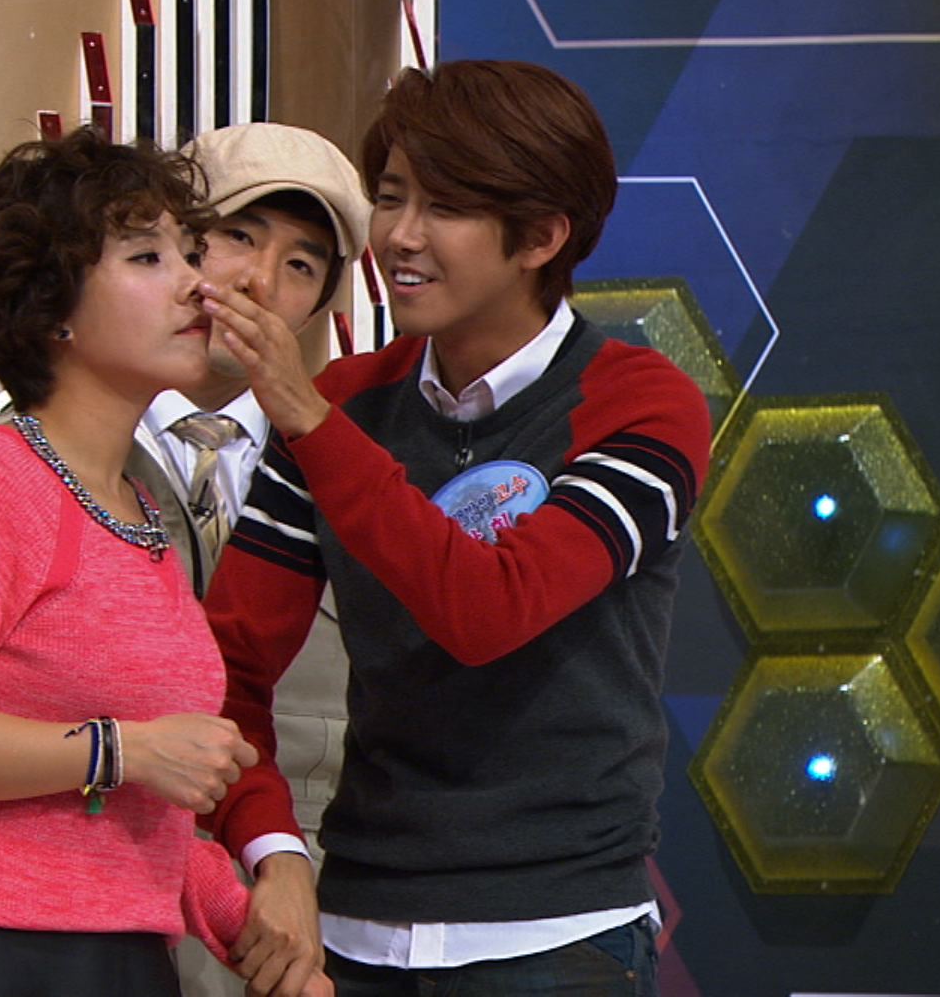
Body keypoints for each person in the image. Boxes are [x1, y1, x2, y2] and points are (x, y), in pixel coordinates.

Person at [198, 60, 712, 996]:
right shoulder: (346, 401)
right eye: (393, 197)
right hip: (351, 934)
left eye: (444, 207)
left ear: (542, 236)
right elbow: (223, 670)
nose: (400, 236)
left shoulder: (642, 403)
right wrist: (274, 851)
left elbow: (489, 610)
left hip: (560, 942)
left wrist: (309, 419)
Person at [0, 127, 266, 996]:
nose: (197, 283)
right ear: (51, 303)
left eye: (190, 252)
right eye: (147, 257)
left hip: (118, 959)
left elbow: (127, 811)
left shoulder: (137, 510)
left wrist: (247, 923)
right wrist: (119, 749)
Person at [0, 121, 369, 997]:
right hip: (68, 902)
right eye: (234, 237)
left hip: (292, 905)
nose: (256, 282)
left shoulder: (345, 459)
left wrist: (278, 862)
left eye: (302, 265)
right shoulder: (17, 455)